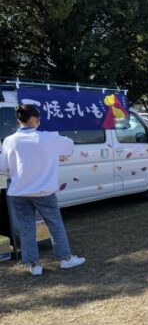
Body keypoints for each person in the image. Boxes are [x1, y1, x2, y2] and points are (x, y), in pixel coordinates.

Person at [0, 105, 85, 276]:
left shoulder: (9, 140)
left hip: (19, 191)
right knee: (55, 224)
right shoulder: (48, 137)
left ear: (19, 120)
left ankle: (34, 265)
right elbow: (69, 146)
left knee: (26, 228)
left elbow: (4, 168)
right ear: (34, 118)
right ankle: (65, 259)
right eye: (38, 118)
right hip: (44, 191)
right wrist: (54, 155)